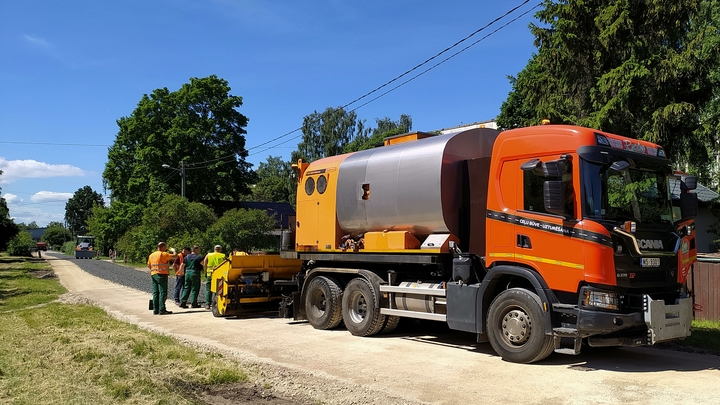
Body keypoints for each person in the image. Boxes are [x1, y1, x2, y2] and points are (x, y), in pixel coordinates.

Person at [147, 242, 177, 315]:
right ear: (163, 247)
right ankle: (162, 309)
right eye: (165, 247)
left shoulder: (152, 255)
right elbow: (175, 256)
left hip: (153, 274)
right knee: (163, 292)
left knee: (155, 292)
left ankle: (155, 310)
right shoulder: (163, 254)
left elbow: (149, 265)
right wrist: (174, 250)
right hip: (161, 274)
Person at [202, 245, 225, 310]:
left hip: (210, 274)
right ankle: (216, 303)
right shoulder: (222, 255)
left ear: (214, 249)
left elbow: (204, 262)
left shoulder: (209, 255)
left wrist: (205, 272)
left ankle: (207, 304)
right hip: (219, 275)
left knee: (208, 289)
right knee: (218, 290)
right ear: (220, 249)